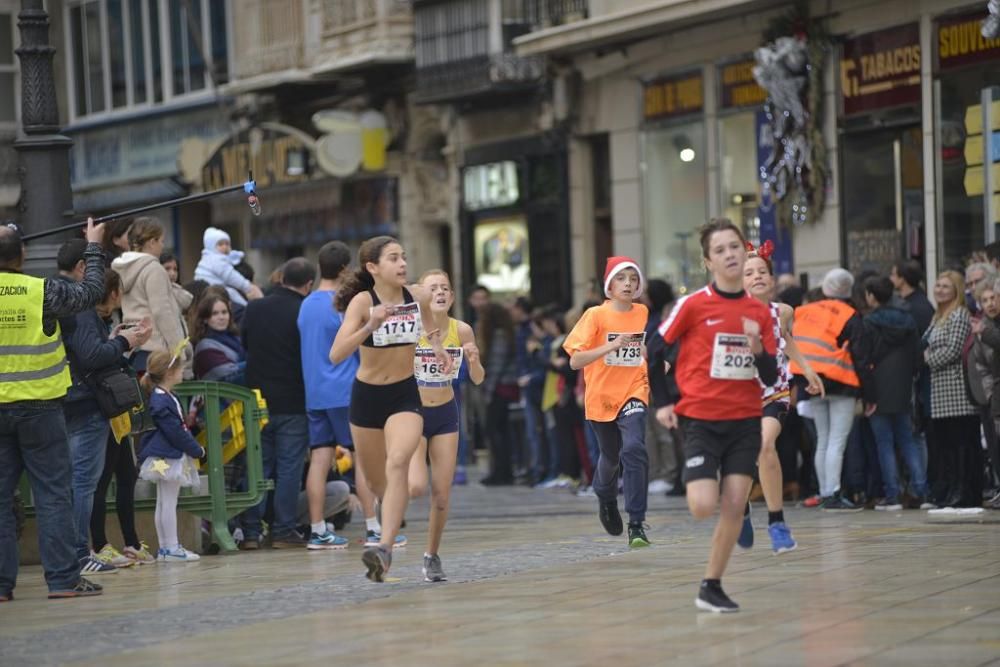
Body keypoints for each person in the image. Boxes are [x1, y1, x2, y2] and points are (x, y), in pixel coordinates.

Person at [652, 218, 778, 613]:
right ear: (708, 262)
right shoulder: (692, 305)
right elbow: (654, 351)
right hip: (702, 420)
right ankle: (721, 499)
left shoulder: (759, 313)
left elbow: (772, 375)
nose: (730, 255)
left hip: (744, 420)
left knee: (734, 505)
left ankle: (711, 585)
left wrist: (758, 349)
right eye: (720, 250)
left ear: (746, 251)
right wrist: (663, 402)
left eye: (735, 247)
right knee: (703, 506)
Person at [331, 237, 450, 582]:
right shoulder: (362, 302)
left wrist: (438, 348)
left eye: (404, 256)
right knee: (376, 481)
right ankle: (387, 525)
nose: (402, 264)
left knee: (398, 461)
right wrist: (370, 325)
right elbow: (336, 354)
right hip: (367, 397)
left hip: (404, 394)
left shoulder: (417, 296)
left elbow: (430, 326)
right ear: (373, 267)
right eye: (393, 258)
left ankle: (383, 548)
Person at [1, 218, 108, 599]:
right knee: (52, 495)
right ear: (23, 255)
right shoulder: (42, 292)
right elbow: (93, 291)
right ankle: (62, 580)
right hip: (41, 408)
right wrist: (93, 246)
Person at [57, 243, 152, 574]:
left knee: (99, 477)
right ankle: (83, 552)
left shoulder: (65, 302)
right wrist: (127, 342)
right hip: (86, 404)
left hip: (78, 402)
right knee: (86, 481)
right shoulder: (79, 308)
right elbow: (93, 357)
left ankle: (82, 552)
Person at [738, 243, 822, 554]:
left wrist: (808, 370)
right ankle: (741, 509)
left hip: (774, 392)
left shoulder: (784, 311)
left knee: (764, 444)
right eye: (749, 273)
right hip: (737, 398)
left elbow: (786, 340)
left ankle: (777, 523)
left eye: (762, 272)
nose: (757, 276)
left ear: (772, 280)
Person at [297, 241, 382, 551]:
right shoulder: (345, 305)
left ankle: (318, 530)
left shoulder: (305, 304)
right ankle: (373, 528)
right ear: (346, 269)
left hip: (315, 393)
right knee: (363, 458)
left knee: (319, 460)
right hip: (346, 391)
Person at [564, 256, 652, 549]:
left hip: (634, 390)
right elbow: (575, 361)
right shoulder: (595, 316)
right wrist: (611, 345)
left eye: (633, 279)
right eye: (621, 278)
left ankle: (637, 523)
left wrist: (654, 360)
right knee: (611, 457)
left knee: (635, 448)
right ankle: (605, 495)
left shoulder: (642, 312)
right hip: (601, 396)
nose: (628, 284)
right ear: (609, 285)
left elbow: (641, 347)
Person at [407, 270, 485, 581]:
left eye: (445, 289)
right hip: (412, 412)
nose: (440, 293)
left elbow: (478, 379)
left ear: (451, 298)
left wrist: (474, 360)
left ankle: (431, 555)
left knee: (441, 495)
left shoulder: (462, 330)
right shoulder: (413, 329)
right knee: (416, 487)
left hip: (446, 415)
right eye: (433, 288)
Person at [241, 258, 316, 548]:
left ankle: (250, 532)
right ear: (308, 284)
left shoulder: (255, 307)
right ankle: (283, 530)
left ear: (281, 277)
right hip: (293, 401)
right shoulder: (303, 311)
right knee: (289, 468)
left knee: (256, 466)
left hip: (256, 400)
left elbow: (245, 345)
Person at [790, 268, 872, 511]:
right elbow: (861, 356)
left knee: (823, 440)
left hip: (812, 383)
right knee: (837, 440)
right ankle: (834, 494)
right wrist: (869, 393)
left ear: (825, 288)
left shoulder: (803, 312)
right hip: (842, 383)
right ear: (848, 289)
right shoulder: (850, 315)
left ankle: (826, 492)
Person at [89, 270, 156, 566]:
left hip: (116, 411)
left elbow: (111, 360)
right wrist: (122, 343)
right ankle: (100, 544)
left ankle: (130, 542)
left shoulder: (105, 322)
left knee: (126, 476)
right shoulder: (89, 321)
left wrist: (129, 342)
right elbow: (98, 360)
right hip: (101, 410)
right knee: (100, 482)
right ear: (113, 293)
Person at [862, 275, 931, 510]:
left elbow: (863, 359)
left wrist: (867, 395)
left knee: (884, 443)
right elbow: (916, 357)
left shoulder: (868, 323)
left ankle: (892, 494)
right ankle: (921, 490)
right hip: (902, 387)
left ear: (871, 296)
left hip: (877, 389)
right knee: (908, 440)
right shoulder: (908, 321)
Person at [137, 350, 205, 562]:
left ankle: (167, 547)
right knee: (167, 502)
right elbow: (176, 431)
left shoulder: (164, 396)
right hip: (167, 455)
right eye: (180, 369)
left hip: (165, 455)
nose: (183, 372)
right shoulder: (162, 400)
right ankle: (171, 547)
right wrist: (197, 449)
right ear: (169, 373)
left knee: (164, 501)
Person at [924, 270, 980, 507]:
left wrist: (928, 358)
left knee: (961, 444)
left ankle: (965, 490)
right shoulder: (938, 316)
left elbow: (953, 350)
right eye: (937, 285)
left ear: (956, 290)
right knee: (946, 444)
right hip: (939, 391)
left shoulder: (959, 315)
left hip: (957, 390)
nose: (939, 290)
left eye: (945, 286)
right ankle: (951, 487)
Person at [111, 217, 192, 374]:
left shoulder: (121, 268)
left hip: (133, 347)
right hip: (156, 349)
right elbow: (162, 312)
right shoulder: (153, 269)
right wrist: (178, 351)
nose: (163, 246)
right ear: (151, 242)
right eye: (161, 241)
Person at [642, 279, 680, 494]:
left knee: (666, 433)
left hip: (667, 384)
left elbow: (661, 353)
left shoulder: (659, 322)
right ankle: (660, 474)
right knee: (653, 433)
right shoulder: (649, 318)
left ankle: (670, 474)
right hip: (651, 380)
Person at [477, 302, 519, 486]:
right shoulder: (506, 334)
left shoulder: (499, 336)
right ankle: (504, 470)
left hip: (498, 389)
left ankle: (501, 471)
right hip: (504, 387)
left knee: (493, 430)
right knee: (502, 431)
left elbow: (496, 366)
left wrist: (488, 391)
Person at [194, 227, 263, 309]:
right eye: (220, 244)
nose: (225, 247)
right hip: (212, 288)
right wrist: (247, 286)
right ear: (211, 247)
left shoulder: (209, 259)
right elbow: (231, 276)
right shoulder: (215, 259)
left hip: (207, 290)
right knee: (233, 294)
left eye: (227, 244)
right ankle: (246, 308)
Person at [191, 296, 245, 383]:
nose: (221, 317)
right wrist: (254, 362)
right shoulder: (204, 346)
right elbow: (227, 376)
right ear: (205, 319)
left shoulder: (237, 337)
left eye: (224, 312)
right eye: (215, 314)